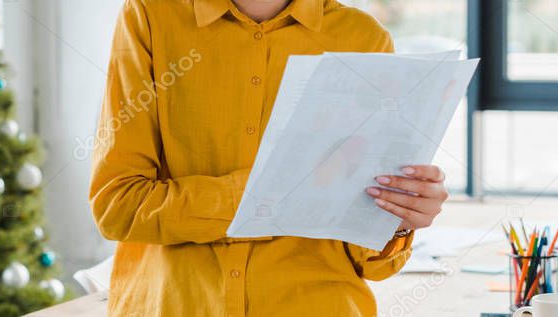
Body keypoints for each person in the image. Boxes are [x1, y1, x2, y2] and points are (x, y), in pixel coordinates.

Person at [88, 0, 449, 316]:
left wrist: (399, 218)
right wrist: (275, 191)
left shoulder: (363, 38)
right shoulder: (150, 15)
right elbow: (119, 206)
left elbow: (370, 262)